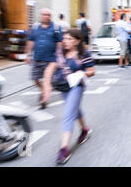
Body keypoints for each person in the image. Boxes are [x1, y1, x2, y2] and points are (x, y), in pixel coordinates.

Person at [42, 29, 95, 164]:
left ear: (77, 41)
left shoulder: (83, 53)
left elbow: (91, 71)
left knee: (68, 114)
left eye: (69, 39)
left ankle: (63, 150)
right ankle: (85, 130)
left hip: (76, 87)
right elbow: (50, 68)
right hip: (63, 87)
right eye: (64, 39)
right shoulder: (60, 53)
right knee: (75, 110)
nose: (65, 41)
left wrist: (80, 74)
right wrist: (46, 86)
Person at [25, 8, 62, 109]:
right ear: (41, 15)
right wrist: (28, 55)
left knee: (47, 80)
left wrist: (59, 57)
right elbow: (31, 40)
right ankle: (43, 90)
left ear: (50, 16)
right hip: (37, 58)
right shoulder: (35, 27)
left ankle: (44, 100)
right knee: (35, 79)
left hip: (50, 59)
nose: (46, 16)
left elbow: (59, 43)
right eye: (44, 14)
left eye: (48, 15)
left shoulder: (56, 27)